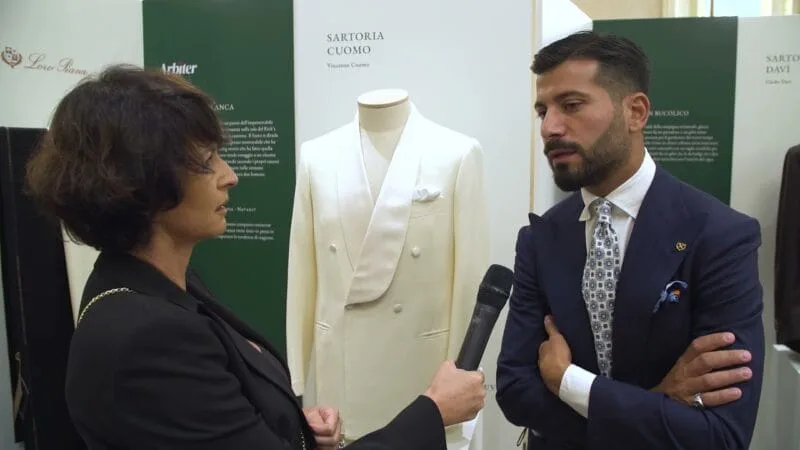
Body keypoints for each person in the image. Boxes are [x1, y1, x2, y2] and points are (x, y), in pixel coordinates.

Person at [24, 64, 485, 450]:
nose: (230, 176)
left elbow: (217, 418)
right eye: (206, 161)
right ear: (143, 183)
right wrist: (432, 414)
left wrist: (294, 428)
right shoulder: (144, 339)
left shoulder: (164, 288)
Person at [496, 31, 764, 449]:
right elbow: (515, 390)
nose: (549, 127)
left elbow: (721, 435)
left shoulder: (720, 236)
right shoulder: (541, 237)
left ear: (635, 112)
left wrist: (568, 381)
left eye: (571, 105)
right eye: (542, 111)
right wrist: (655, 402)